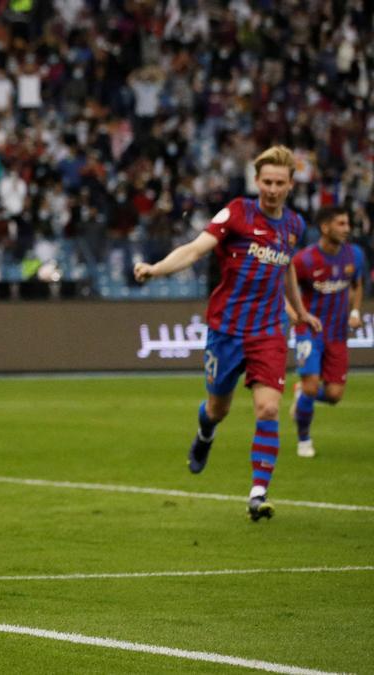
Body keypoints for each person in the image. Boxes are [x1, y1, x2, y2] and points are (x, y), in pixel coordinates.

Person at [134, 145, 321, 522]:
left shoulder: (294, 226)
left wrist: (298, 311)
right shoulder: (237, 213)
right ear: (256, 181)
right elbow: (194, 249)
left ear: (290, 185)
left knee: (268, 407)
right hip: (227, 330)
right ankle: (204, 434)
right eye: (266, 181)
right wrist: (155, 269)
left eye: (278, 183)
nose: (271, 189)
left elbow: (285, 269)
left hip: (269, 331)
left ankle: (257, 493)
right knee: (218, 409)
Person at [288, 207, 365, 458]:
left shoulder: (355, 255)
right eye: (341, 224)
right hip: (309, 330)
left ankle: (301, 394)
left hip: (337, 333)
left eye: (347, 223)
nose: (346, 228)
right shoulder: (305, 260)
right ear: (325, 227)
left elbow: (357, 285)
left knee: (334, 395)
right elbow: (284, 287)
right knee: (312, 387)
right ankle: (304, 439)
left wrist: (355, 312)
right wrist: (294, 313)